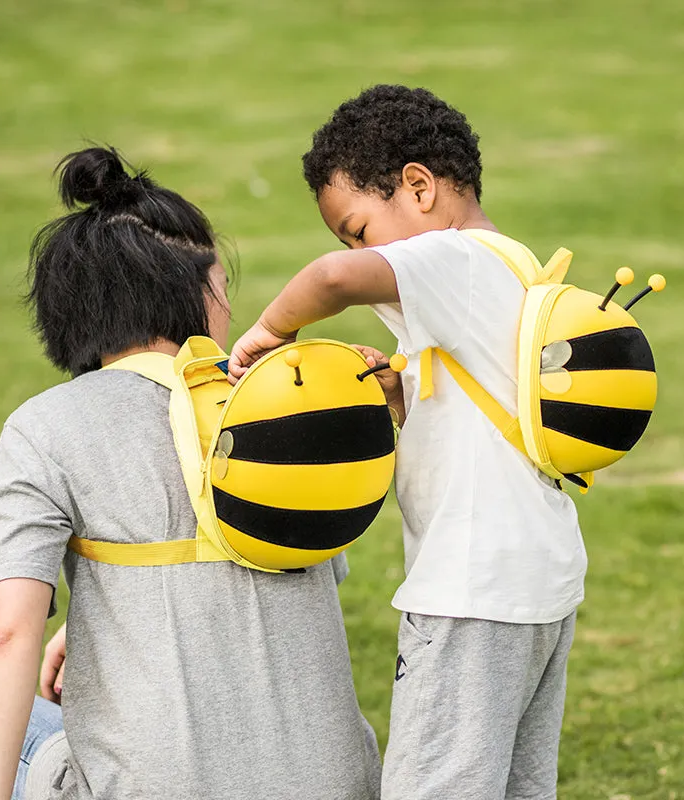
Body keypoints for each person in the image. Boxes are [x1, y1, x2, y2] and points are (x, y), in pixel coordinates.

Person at [0, 147, 381, 800]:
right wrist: (89, 621)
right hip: (337, 785)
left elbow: (8, 632)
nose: (230, 310)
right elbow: (244, 568)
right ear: (189, 293)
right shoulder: (285, 405)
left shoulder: (45, 428)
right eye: (222, 287)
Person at [229, 85, 587, 800]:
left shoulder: (454, 259)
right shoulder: (508, 265)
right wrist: (404, 403)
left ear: (419, 187)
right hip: (540, 585)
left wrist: (272, 329)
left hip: (469, 590)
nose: (353, 251)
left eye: (359, 229)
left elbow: (330, 280)